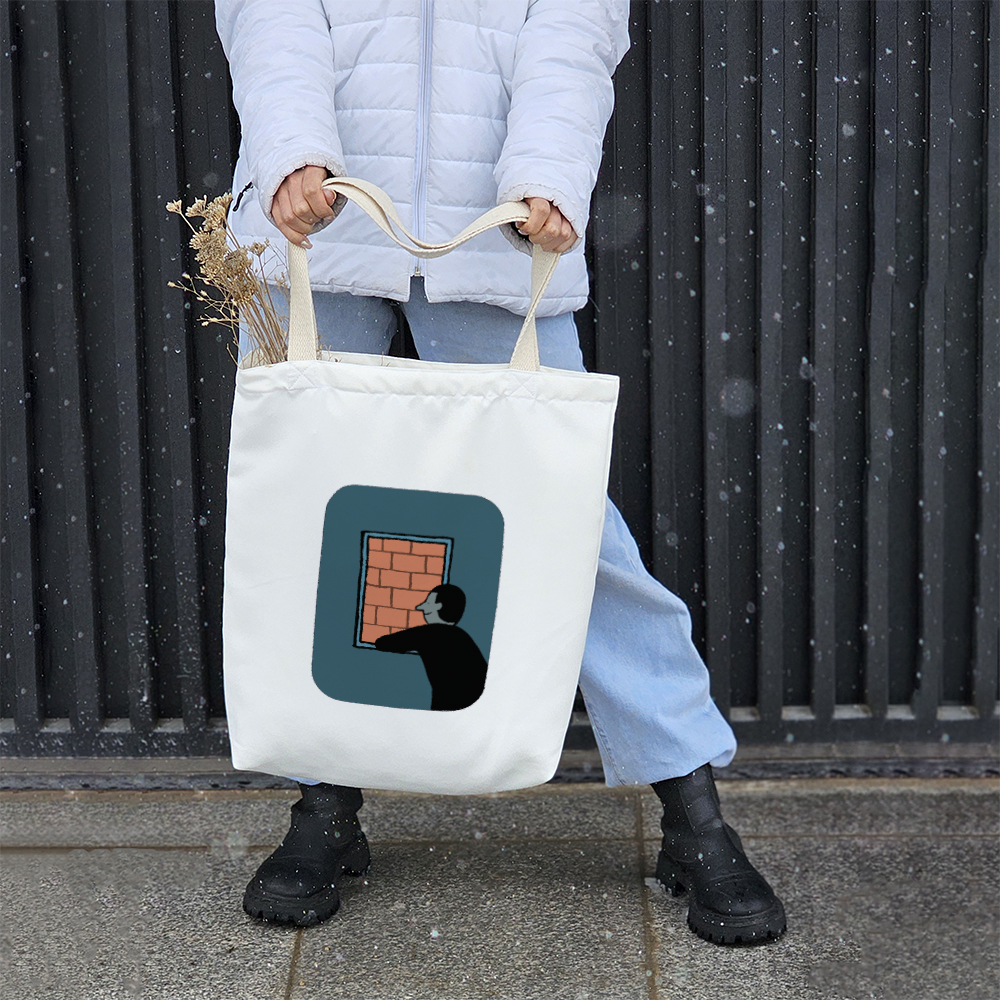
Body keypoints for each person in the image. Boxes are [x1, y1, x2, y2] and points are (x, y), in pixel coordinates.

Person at [217, 0, 786, 944]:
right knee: (309, 527)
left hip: (495, 233)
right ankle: (323, 804)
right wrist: (291, 153)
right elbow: (272, 15)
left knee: (568, 529)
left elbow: (573, 27)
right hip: (315, 230)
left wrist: (548, 174)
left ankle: (693, 813)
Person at [374, 585, 489, 711]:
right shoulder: (462, 636)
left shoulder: (429, 633)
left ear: (438, 607)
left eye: (428, 603)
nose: (420, 607)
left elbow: (383, 643)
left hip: (451, 705)